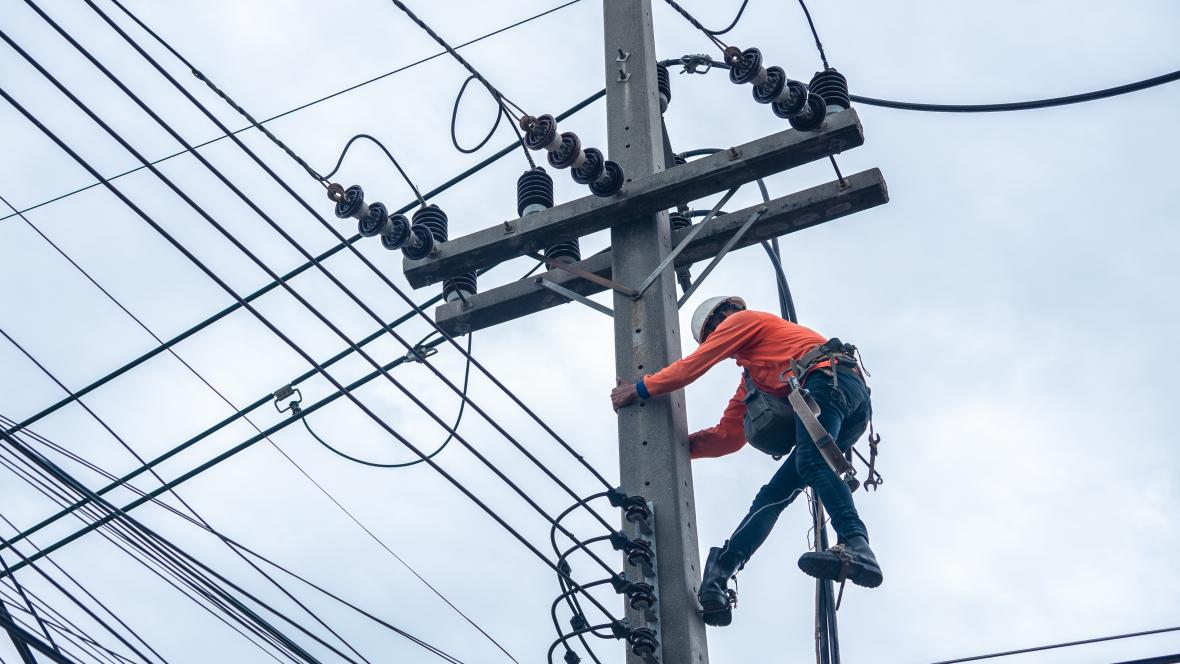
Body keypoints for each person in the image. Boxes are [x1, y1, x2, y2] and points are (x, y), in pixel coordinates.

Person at [610, 296, 882, 627]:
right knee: (773, 495)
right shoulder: (755, 376)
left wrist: (640, 389)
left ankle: (856, 544)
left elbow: (695, 365)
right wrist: (676, 449)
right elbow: (729, 436)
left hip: (828, 381)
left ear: (723, 317)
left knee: (811, 464)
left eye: (715, 330)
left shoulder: (744, 321)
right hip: (845, 399)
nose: (720, 335)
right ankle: (721, 571)